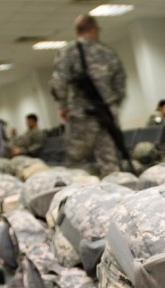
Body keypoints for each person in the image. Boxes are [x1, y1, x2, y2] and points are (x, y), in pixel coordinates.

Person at [49, 14, 127, 176]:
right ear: (93, 29)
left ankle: (81, 197)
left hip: (81, 116)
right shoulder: (108, 53)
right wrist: (112, 106)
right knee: (109, 162)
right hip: (106, 117)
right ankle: (117, 194)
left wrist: (62, 106)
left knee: (77, 162)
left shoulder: (69, 52)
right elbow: (120, 87)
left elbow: (59, 83)